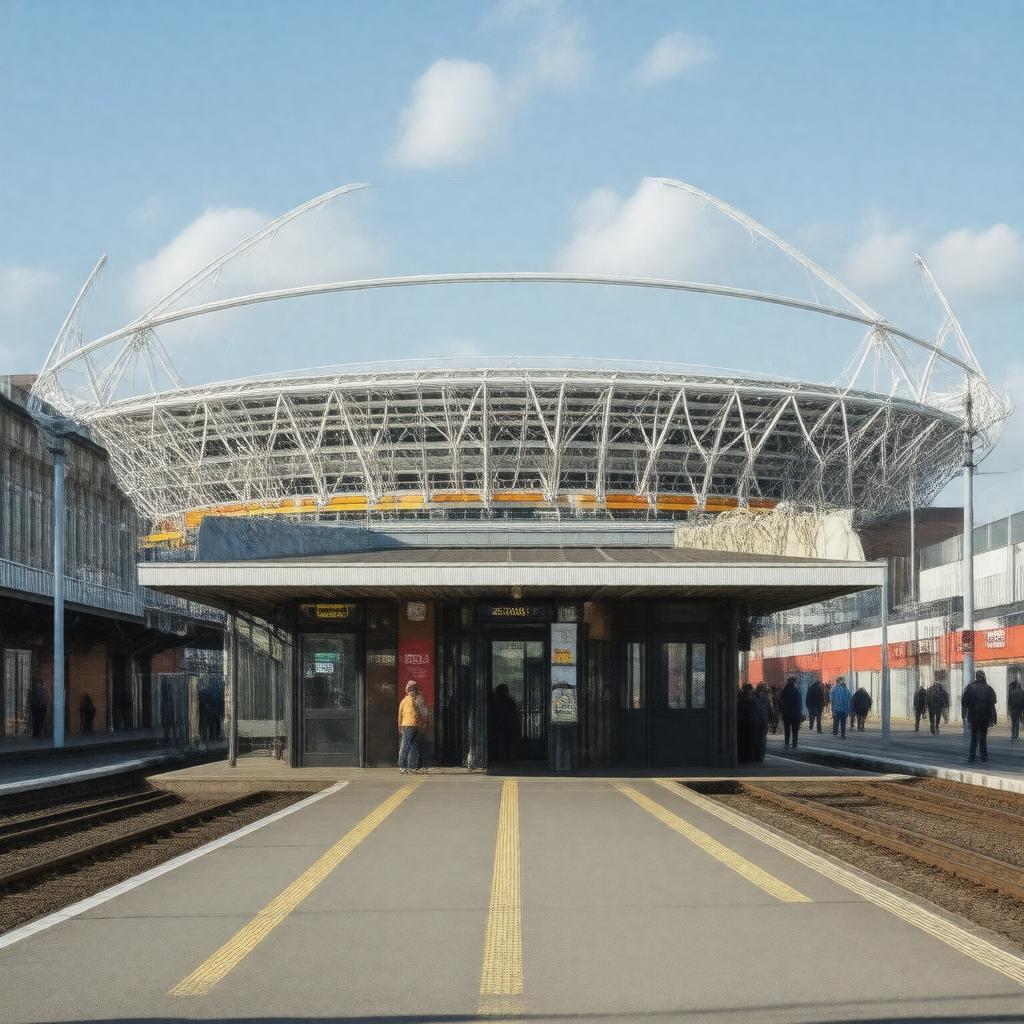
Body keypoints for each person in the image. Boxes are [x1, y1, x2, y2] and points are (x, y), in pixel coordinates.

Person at [962, 669, 997, 764]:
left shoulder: (971, 688)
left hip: (974, 717)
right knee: (983, 737)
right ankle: (984, 756)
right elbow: (992, 703)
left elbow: (964, 702)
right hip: (985, 717)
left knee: (974, 737)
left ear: (976, 677)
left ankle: (972, 756)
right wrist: (993, 718)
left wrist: (967, 711)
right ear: (984, 677)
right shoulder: (989, 688)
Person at [397, 680, 427, 773]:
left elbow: (400, 715)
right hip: (411, 726)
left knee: (409, 747)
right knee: (410, 747)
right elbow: (422, 713)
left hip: (409, 726)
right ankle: (407, 766)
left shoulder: (405, 700)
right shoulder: (415, 699)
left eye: (413, 688)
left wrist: (399, 726)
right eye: (411, 688)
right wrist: (424, 723)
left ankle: (408, 767)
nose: (412, 690)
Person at [489, 683, 521, 762]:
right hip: (509, 725)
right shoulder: (510, 701)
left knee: (502, 742)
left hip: (500, 725)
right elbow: (515, 714)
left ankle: (503, 758)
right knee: (509, 743)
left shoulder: (495, 702)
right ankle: (510, 757)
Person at [736, 685, 760, 763]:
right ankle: (749, 758)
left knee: (746, 742)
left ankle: (747, 758)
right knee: (750, 742)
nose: (749, 693)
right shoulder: (753, 702)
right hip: (749, 724)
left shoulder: (741, 702)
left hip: (746, 724)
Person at [780, 676, 803, 750]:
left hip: (787, 714)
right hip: (795, 714)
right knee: (795, 730)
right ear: (794, 682)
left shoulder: (784, 691)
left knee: (787, 729)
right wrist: (799, 713)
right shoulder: (796, 691)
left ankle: (787, 743)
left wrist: (782, 712)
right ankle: (794, 744)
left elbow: (781, 703)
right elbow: (799, 703)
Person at [753, 685, 771, 763]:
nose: (763, 693)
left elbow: (769, 711)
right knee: (759, 740)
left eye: (764, 692)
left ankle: (760, 756)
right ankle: (759, 756)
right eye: (763, 691)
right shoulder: (757, 700)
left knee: (761, 740)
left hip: (762, 722)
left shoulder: (764, 700)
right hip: (759, 722)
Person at [1009, 672, 1024, 744]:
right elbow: (1022, 701)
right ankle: (1016, 736)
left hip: (1012, 710)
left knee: (1013, 723)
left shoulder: (1011, 692)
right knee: (1017, 723)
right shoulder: (1020, 691)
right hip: (1018, 710)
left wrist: (1009, 709)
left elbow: (1009, 701)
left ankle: (1012, 736)